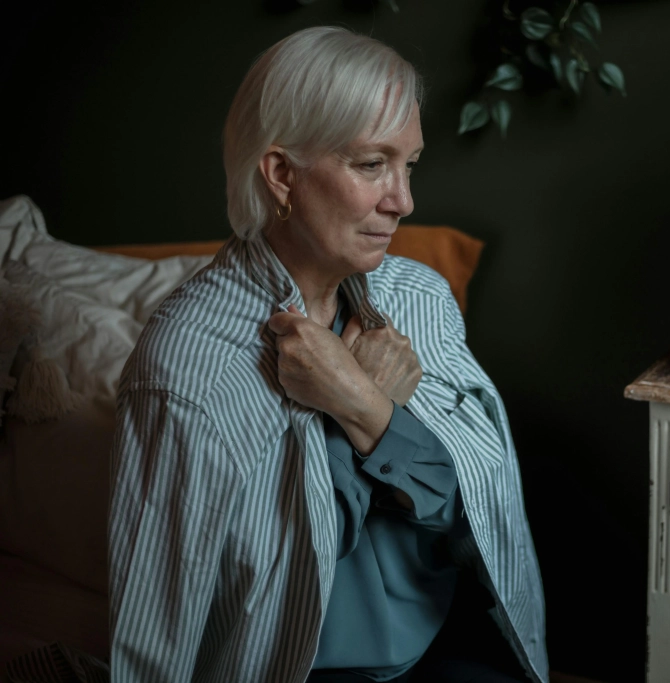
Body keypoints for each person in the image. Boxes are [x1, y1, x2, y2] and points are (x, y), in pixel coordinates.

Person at [108, 26, 547, 683]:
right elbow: (170, 612)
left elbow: (470, 512)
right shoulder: (184, 366)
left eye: (409, 165)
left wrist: (365, 406)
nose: (403, 200)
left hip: (447, 638)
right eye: (372, 165)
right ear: (282, 174)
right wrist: (362, 424)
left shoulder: (419, 298)